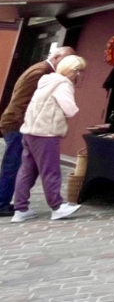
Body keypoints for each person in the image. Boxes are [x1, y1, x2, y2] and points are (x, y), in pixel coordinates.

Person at [11, 54, 86, 222]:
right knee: (50, 170)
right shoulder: (63, 84)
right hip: (46, 132)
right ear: (69, 70)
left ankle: (20, 209)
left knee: (26, 171)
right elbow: (70, 109)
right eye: (78, 71)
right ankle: (57, 207)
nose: (79, 75)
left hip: (30, 130)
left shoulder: (46, 81)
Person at [0, 46, 74, 217]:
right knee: (14, 165)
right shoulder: (42, 71)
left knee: (24, 167)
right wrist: (25, 125)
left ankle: (16, 205)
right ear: (56, 57)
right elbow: (21, 100)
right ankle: (3, 203)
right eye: (67, 59)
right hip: (18, 124)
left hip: (20, 123)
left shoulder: (43, 70)